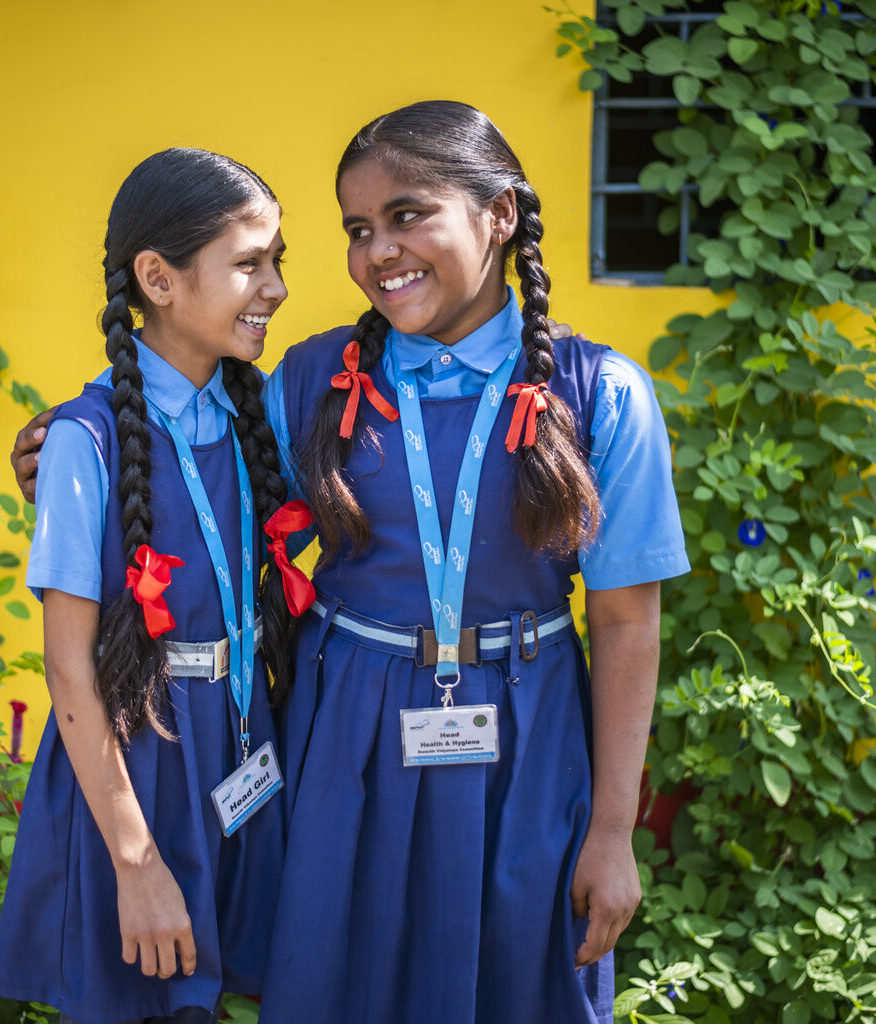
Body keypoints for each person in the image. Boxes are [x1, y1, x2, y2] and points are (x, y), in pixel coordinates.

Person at [255, 101, 689, 1024]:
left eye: (409, 215)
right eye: (359, 230)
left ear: (499, 214)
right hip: (347, 735)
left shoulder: (601, 393)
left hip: (527, 737)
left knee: (520, 988)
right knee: (341, 984)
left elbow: (623, 620)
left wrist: (613, 833)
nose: (380, 252)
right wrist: (77, 446)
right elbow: (188, 482)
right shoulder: (305, 381)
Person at [0, 148, 300, 1024]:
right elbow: (67, 670)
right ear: (157, 279)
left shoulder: (258, 415)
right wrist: (136, 860)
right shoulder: (83, 444)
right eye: (249, 264)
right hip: (139, 760)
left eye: (280, 262)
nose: (275, 288)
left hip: (241, 748)